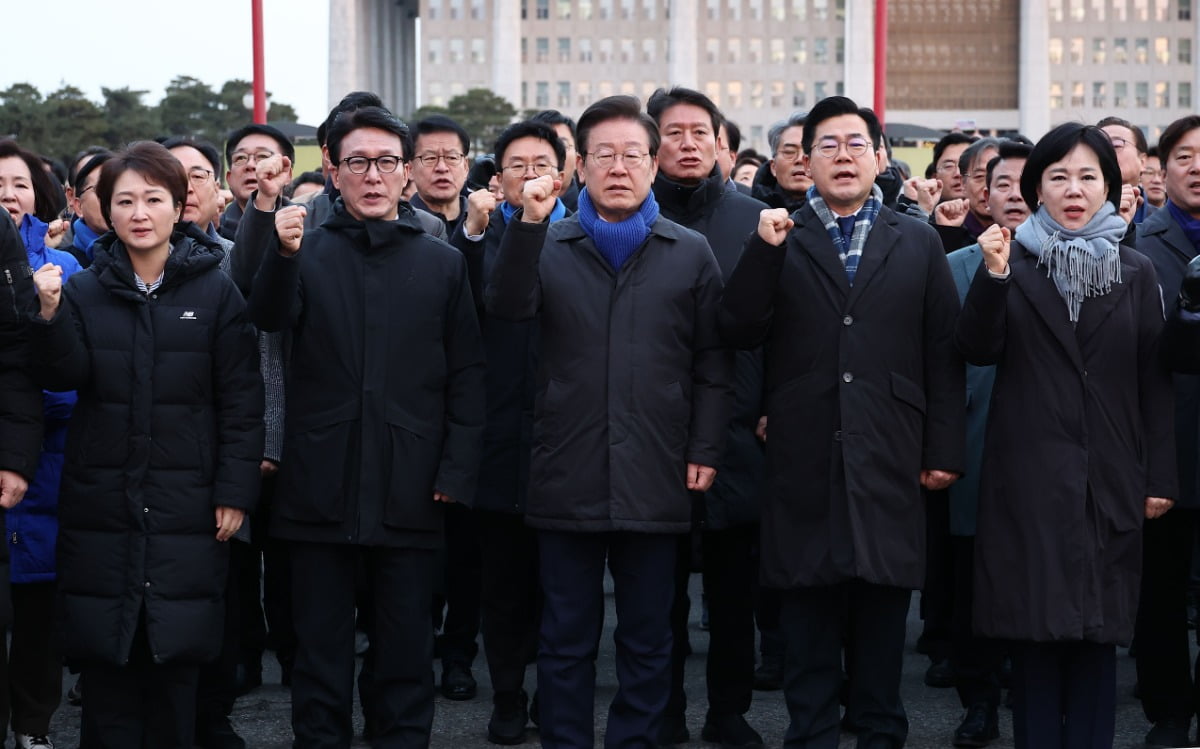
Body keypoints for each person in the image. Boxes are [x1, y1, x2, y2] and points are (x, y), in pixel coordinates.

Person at [485, 94, 732, 749]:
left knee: (650, 636)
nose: (618, 167)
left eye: (632, 155)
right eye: (603, 155)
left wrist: (705, 443)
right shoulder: (547, 240)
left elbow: (712, 360)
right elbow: (507, 308)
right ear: (578, 167)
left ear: (652, 165)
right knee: (565, 636)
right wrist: (529, 226)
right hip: (566, 465)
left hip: (658, 467)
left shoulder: (690, 251)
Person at [718, 95, 964, 749]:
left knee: (883, 617)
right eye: (826, 145)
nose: (843, 156)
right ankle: (812, 734)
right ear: (805, 160)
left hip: (890, 448)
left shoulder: (916, 239)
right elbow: (737, 327)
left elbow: (942, 351)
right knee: (808, 618)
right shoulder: (780, 233)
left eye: (857, 144)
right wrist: (763, 253)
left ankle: (881, 731)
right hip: (803, 452)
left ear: (880, 157)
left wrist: (942, 447)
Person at [245, 105, 485, 749]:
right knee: (318, 662)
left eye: (386, 162)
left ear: (407, 173)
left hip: (413, 485)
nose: (372, 176)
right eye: (357, 162)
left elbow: (467, 375)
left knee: (406, 660)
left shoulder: (440, 261)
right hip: (316, 483)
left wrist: (456, 470)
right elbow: (265, 316)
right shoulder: (305, 249)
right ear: (332, 170)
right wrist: (281, 249)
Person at [28, 141, 264, 748]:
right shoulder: (82, 290)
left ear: (179, 206)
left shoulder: (216, 290)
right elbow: (64, 377)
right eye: (124, 200)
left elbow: (241, 402)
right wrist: (49, 317)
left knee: (175, 675)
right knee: (107, 678)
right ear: (104, 209)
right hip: (102, 502)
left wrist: (235, 491)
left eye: (153, 199)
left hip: (189, 505)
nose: (139, 212)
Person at [955, 122, 1176, 749]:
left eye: (1087, 176)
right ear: (1037, 188)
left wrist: (1158, 476)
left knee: (1096, 637)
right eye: (1058, 177)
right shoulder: (1010, 262)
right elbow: (975, 346)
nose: (1073, 190)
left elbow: (1152, 384)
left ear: (1109, 185)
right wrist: (993, 280)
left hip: (1109, 475)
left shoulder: (1134, 273)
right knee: (1034, 638)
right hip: (1027, 479)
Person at [645, 85, 768, 749]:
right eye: (674, 132)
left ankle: (729, 709)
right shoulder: (628, 213)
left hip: (740, 428)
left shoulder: (757, 216)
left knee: (732, 595)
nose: (688, 144)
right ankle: (662, 710)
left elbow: (786, 324)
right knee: (656, 595)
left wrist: (772, 405)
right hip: (654, 427)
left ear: (721, 142)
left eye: (701, 132)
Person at [942, 139, 1032, 747]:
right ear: (984, 193)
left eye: (1031, 182)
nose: (1017, 195)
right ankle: (978, 701)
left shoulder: (1074, 262)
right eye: (1004, 184)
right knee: (969, 581)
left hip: (1040, 449)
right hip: (972, 443)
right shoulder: (955, 268)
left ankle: (1027, 691)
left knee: (1032, 578)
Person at [0, 140, 83, 749]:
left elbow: (71, 371)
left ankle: (34, 723)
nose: (8, 194)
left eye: (20, 183)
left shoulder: (70, 269)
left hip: (49, 460)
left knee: (37, 610)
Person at [1130, 114, 1200, 748]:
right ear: (1163, 167)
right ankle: (1169, 713)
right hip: (1165, 442)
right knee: (1160, 592)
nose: (1198, 167)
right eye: (1185, 156)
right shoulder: (1137, 246)